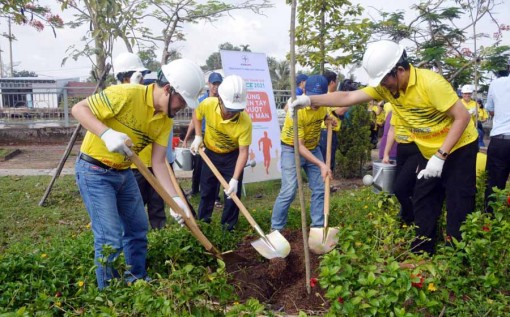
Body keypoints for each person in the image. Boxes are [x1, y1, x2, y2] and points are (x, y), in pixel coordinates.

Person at [289, 40, 478, 255]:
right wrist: (309, 100)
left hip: (459, 148)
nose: (383, 86)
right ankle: (422, 255)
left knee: (458, 203)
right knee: (424, 200)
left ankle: (457, 262)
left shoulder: (431, 83)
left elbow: (462, 117)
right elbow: (348, 96)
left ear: (399, 70)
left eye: (385, 80)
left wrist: (441, 155)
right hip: (429, 151)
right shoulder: (387, 88)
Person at [72, 58, 203, 289]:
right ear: (167, 89)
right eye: (181, 100)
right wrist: (106, 133)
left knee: (137, 228)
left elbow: (159, 163)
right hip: (94, 171)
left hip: (124, 173)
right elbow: (78, 109)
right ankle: (109, 295)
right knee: (109, 236)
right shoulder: (125, 94)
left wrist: (174, 200)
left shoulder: (165, 121)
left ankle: (137, 279)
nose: (182, 106)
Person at [271, 75, 343, 231]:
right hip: (292, 149)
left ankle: (317, 227)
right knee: (289, 190)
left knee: (320, 187)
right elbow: (299, 146)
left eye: (318, 97)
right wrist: (321, 164)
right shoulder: (297, 111)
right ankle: (276, 229)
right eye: (311, 96)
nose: (315, 101)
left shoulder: (323, 104)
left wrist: (328, 119)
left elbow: (322, 115)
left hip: (313, 147)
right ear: (305, 92)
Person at [112, 52, 168, 230]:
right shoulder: (115, 97)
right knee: (135, 204)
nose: (142, 78)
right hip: (133, 166)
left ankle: (160, 233)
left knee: (157, 202)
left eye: (142, 75)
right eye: (137, 75)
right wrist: (132, 92)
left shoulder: (149, 95)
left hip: (153, 161)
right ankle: (134, 233)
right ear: (124, 77)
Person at [189, 75, 252, 231]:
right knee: (207, 190)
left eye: (236, 110)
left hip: (232, 157)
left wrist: (235, 179)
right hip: (210, 154)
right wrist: (198, 136)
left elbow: (244, 152)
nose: (232, 114)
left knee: (232, 196)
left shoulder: (245, 122)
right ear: (220, 100)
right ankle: (204, 224)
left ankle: (228, 229)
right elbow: (196, 114)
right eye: (229, 109)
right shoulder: (208, 104)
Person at [183, 72, 223, 208]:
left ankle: (215, 197)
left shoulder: (223, 101)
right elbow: (194, 121)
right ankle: (195, 190)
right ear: (209, 84)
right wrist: (188, 138)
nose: (216, 87)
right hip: (202, 136)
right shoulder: (202, 101)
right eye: (214, 84)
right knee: (198, 165)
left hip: (216, 137)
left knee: (215, 167)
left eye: (219, 84)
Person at [484, 59, 510, 213]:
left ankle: (490, 226)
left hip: (500, 140)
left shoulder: (496, 84)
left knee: (493, 187)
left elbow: (491, 110)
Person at [319, 70, 342, 173]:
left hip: (328, 131)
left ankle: (326, 185)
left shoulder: (326, 94)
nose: (336, 84)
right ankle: (325, 185)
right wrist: (349, 103)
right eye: (336, 81)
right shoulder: (330, 96)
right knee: (327, 159)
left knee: (328, 158)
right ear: (332, 82)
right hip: (327, 132)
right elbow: (339, 111)